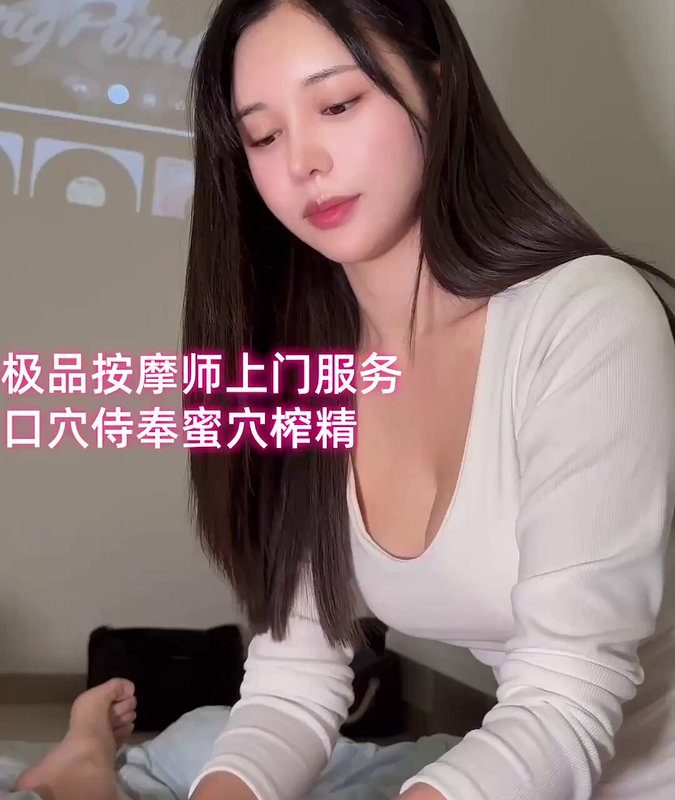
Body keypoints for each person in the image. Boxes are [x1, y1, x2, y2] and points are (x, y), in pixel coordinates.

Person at [14, 0, 675, 798]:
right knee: (209, 744)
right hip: (519, 764)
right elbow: (292, 684)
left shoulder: (584, 318)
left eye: (336, 104)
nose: (302, 162)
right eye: (263, 136)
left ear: (437, 88)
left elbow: (566, 696)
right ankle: (89, 764)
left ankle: (88, 768)